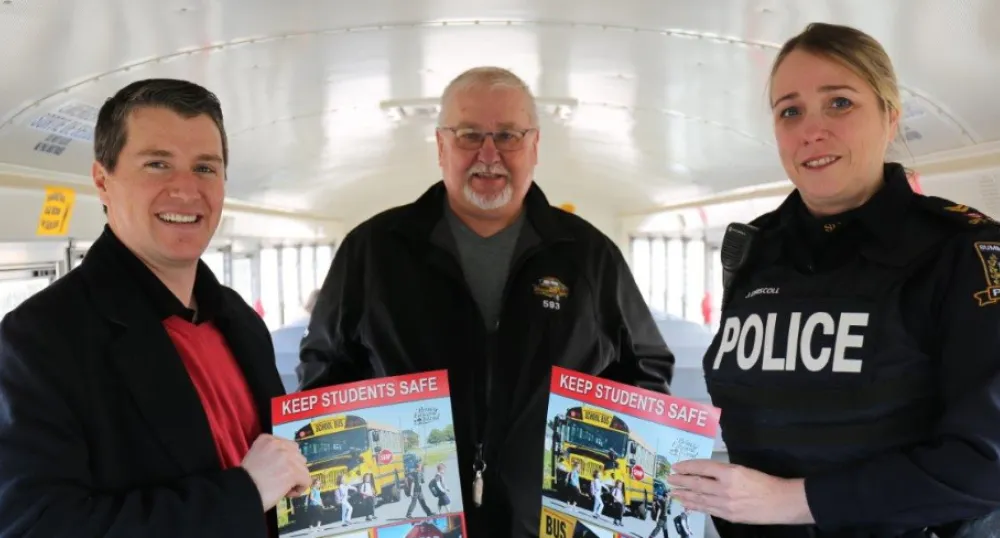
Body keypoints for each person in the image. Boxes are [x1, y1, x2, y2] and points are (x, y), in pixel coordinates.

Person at [298, 65, 674, 537]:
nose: (489, 154)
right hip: (416, 525)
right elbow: (323, 374)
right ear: (440, 146)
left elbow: (646, 369)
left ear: (534, 146)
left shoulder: (589, 256)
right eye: (470, 135)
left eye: (508, 136)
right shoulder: (373, 250)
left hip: (550, 521)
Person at [667, 22, 1000, 537]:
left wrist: (794, 501)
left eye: (840, 103)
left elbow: (985, 461)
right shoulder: (754, 251)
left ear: (891, 117)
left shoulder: (959, 252)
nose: (811, 130)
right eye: (790, 111)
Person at [0, 78, 313, 537]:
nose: (186, 190)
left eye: (205, 168)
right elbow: (36, 527)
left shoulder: (240, 321)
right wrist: (243, 492)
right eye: (157, 164)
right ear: (102, 181)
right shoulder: (39, 341)